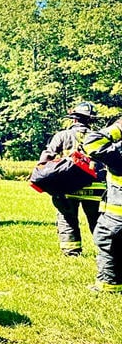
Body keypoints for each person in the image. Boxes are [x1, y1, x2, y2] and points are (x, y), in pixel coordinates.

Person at [38, 102, 106, 256]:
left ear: (74, 119)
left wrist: (40, 170)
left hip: (68, 187)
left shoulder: (62, 135)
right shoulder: (98, 137)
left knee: (67, 218)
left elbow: (48, 155)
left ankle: (71, 251)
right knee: (97, 221)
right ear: (90, 121)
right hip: (95, 188)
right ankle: (106, 251)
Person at [83, 118, 122, 293]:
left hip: (117, 216)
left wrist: (117, 129)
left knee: (107, 241)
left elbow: (92, 142)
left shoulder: (118, 153)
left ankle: (108, 286)